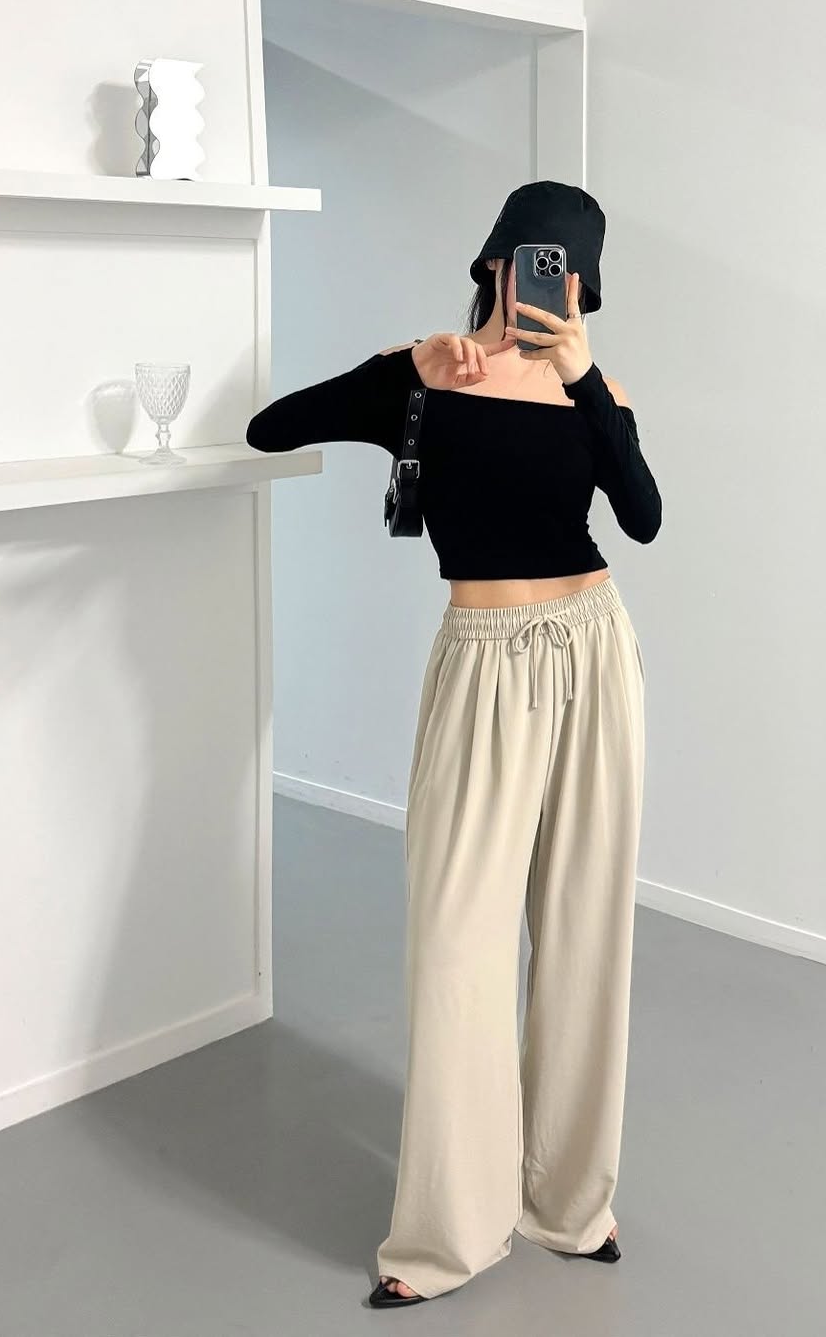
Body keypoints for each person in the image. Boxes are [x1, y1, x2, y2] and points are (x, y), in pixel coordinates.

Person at [245, 180, 663, 1308]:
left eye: (576, 279)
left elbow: (642, 515)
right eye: (541, 264)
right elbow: (270, 427)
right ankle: (452, 1230)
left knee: (585, 930)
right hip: (483, 663)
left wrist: (585, 380)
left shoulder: (595, 389)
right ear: (495, 264)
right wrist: (406, 364)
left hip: (593, 648)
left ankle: (569, 1201)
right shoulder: (424, 377)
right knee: (456, 941)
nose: (557, 291)